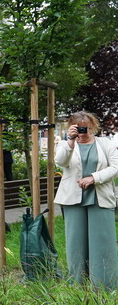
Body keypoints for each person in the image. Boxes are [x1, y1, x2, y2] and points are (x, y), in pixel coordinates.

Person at [55, 111, 118, 291]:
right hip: (72, 198)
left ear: (93, 126)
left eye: (87, 127)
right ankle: (78, 285)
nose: (84, 131)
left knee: (102, 241)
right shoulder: (66, 144)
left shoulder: (105, 143)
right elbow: (60, 161)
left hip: (100, 196)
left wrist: (94, 178)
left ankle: (104, 286)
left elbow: (115, 167)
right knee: (76, 242)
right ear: (72, 127)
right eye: (79, 127)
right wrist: (70, 141)